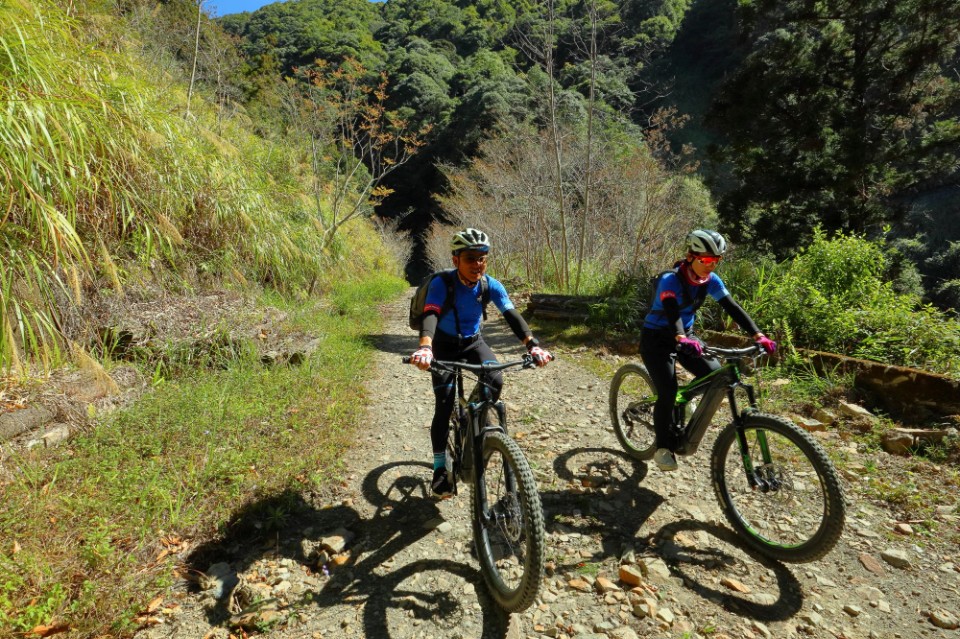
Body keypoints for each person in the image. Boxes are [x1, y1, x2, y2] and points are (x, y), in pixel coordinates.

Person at [409, 228, 553, 498]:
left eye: (482, 258)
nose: (478, 264)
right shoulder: (442, 284)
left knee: (495, 379)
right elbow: (431, 314)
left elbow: (511, 315)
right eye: (471, 258)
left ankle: (472, 418)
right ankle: (440, 468)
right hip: (443, 343)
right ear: (456, 260)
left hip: (473, 341)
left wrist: (533, 345)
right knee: (444, 401)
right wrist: (425, 348)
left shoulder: (491, 285)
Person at [641, 229, 777, 471]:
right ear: (691, 256)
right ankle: (663, 447)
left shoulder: (711, 281)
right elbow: (672, 310)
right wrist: (681, 336)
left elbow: (732, 307)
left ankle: (685, 400)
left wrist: (758, 335)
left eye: (715, 261)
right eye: (705, 260)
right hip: (657, 339)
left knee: (715, 376)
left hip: (687, 337)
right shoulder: (670, 280)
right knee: (668, 391)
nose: (709, 266)